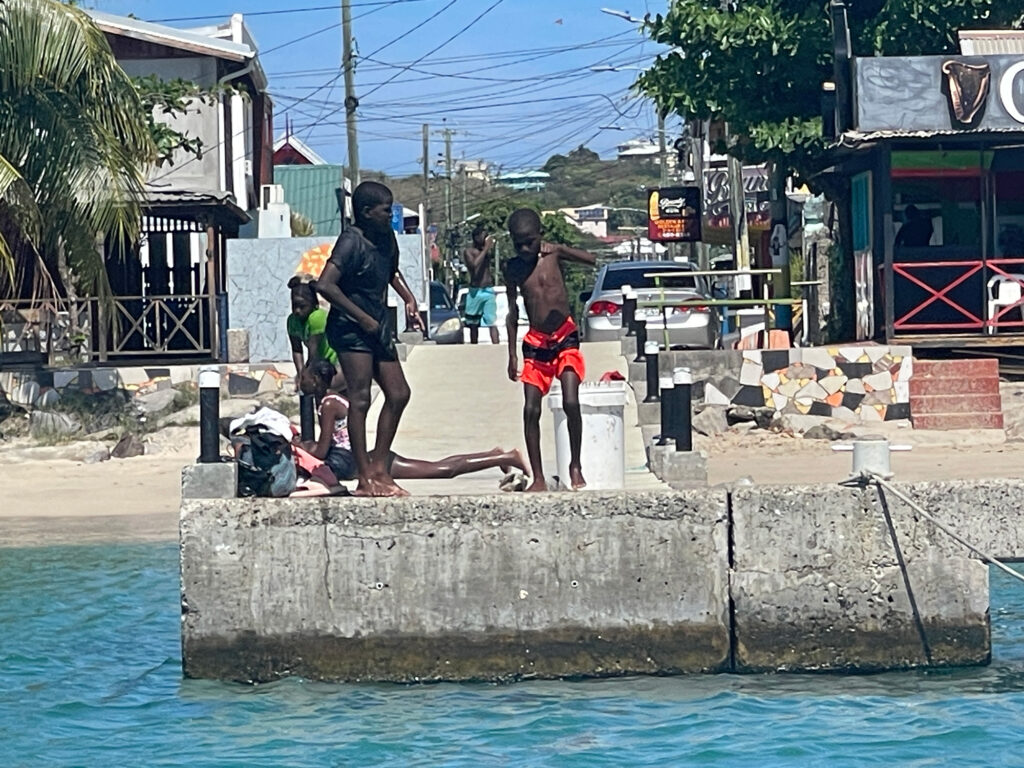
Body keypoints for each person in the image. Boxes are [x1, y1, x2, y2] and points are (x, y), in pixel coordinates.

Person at [315, 180, 425, 497]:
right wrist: (361, 316)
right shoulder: (351, 241)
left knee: (399, 392)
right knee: (360, 398)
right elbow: (325, 285)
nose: (390, 216)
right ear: (366, 212)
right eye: (385, 210)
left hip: (376, 325)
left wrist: (408, 298)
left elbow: (391, 271)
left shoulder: (386, 237)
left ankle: (379, 467)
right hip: (350, 327)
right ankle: (364, 478)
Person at [298, 359, 527, 485]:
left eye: (305, 377)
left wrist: (298, 448)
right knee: (440, 467)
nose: (301, 381)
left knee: (441, 470)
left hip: (364, 463)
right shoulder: (336, 398)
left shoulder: (328, 405)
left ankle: (507, 457)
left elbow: (322, 450)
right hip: (369, 457)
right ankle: (495, 454)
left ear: (317, 380)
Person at [504, 208, 596, 492]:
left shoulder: (552, 256)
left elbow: (591, 260)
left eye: (529, 242)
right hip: (536, 342)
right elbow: (511, 312)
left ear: (540, 236)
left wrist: (559, 248)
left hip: (565, 336)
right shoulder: (513, 269)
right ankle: (539, 477)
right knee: (531, 409)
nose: (523, 249)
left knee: (570, 401)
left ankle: (575, 465)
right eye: (517, 243)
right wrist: (511, 354)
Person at [286, 276, 344, 391]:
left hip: (335, 361)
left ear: (313, 304)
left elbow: (314, 351)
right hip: (318, 362)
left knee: (323, 387)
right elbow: (296, 349)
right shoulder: (292, 321)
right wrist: (300, 372)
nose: (297, 310)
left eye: (302, 306)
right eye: (294, 305)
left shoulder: (317, 317)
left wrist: (306, 375)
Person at [463, 225, 500, 344]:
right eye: (482, 237)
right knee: (473, 323)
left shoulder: (486, 252)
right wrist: (485, 249)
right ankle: (474, 346)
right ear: (476, 238)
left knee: (491, 321)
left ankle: (496, 346)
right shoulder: (469, 252)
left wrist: (488, 248)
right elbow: (474, 266)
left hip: (488, 290)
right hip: (475, 292)